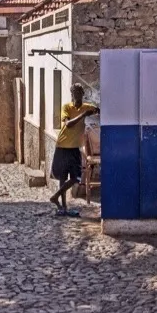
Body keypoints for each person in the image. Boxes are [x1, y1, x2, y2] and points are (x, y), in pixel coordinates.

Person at [49, 83, 99, 217]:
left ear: (82, 94)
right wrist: (83, 115)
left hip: (75, 148)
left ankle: (55, 196)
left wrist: (96, 108)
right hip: (63, 146)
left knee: (76, 178)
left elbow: (98, 110)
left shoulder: (86, 107)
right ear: (71, 95)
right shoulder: (67, 107)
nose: (76, 95)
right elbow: (68, 124)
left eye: (78, 92)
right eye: (74, 93)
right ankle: (63, 207)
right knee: (62, 178)